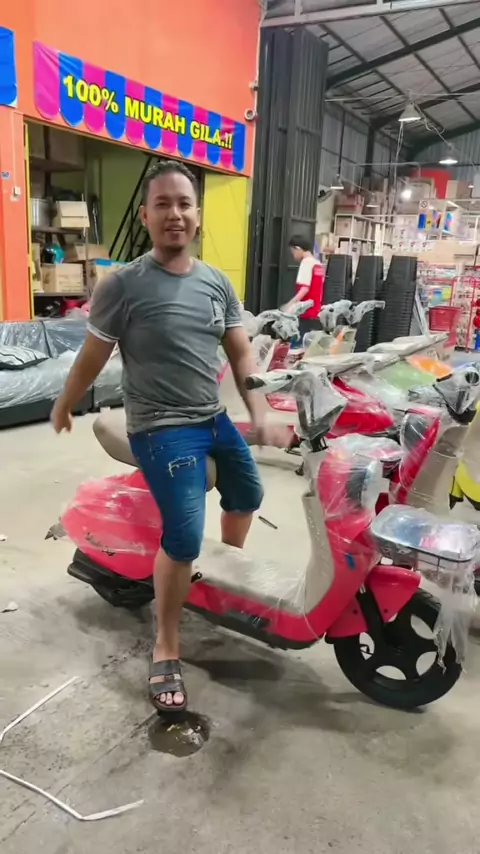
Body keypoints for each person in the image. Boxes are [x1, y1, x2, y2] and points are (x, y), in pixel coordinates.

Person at [51, 159, 287, 716]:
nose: (175, 214)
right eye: (163, 205)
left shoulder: (217, 283)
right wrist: (64, 401)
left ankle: (218, 580)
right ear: (146, 216)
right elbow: (92, 355)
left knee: (248, 493)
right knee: (182, 536)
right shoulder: (123, 285)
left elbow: (241, 353)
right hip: (159, 426)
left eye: (184, 204)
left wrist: (259, 409)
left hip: (211, 417)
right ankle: (166, 645)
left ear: (197, 215)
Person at [284, 235, 325, 338]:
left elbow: (304, 289)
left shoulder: (306, 263)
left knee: (299, 344)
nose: (293, 255)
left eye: (292, 252)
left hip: (305, 314)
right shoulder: (318, 264)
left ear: (298, 248)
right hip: (315, 313)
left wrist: (289, 305)